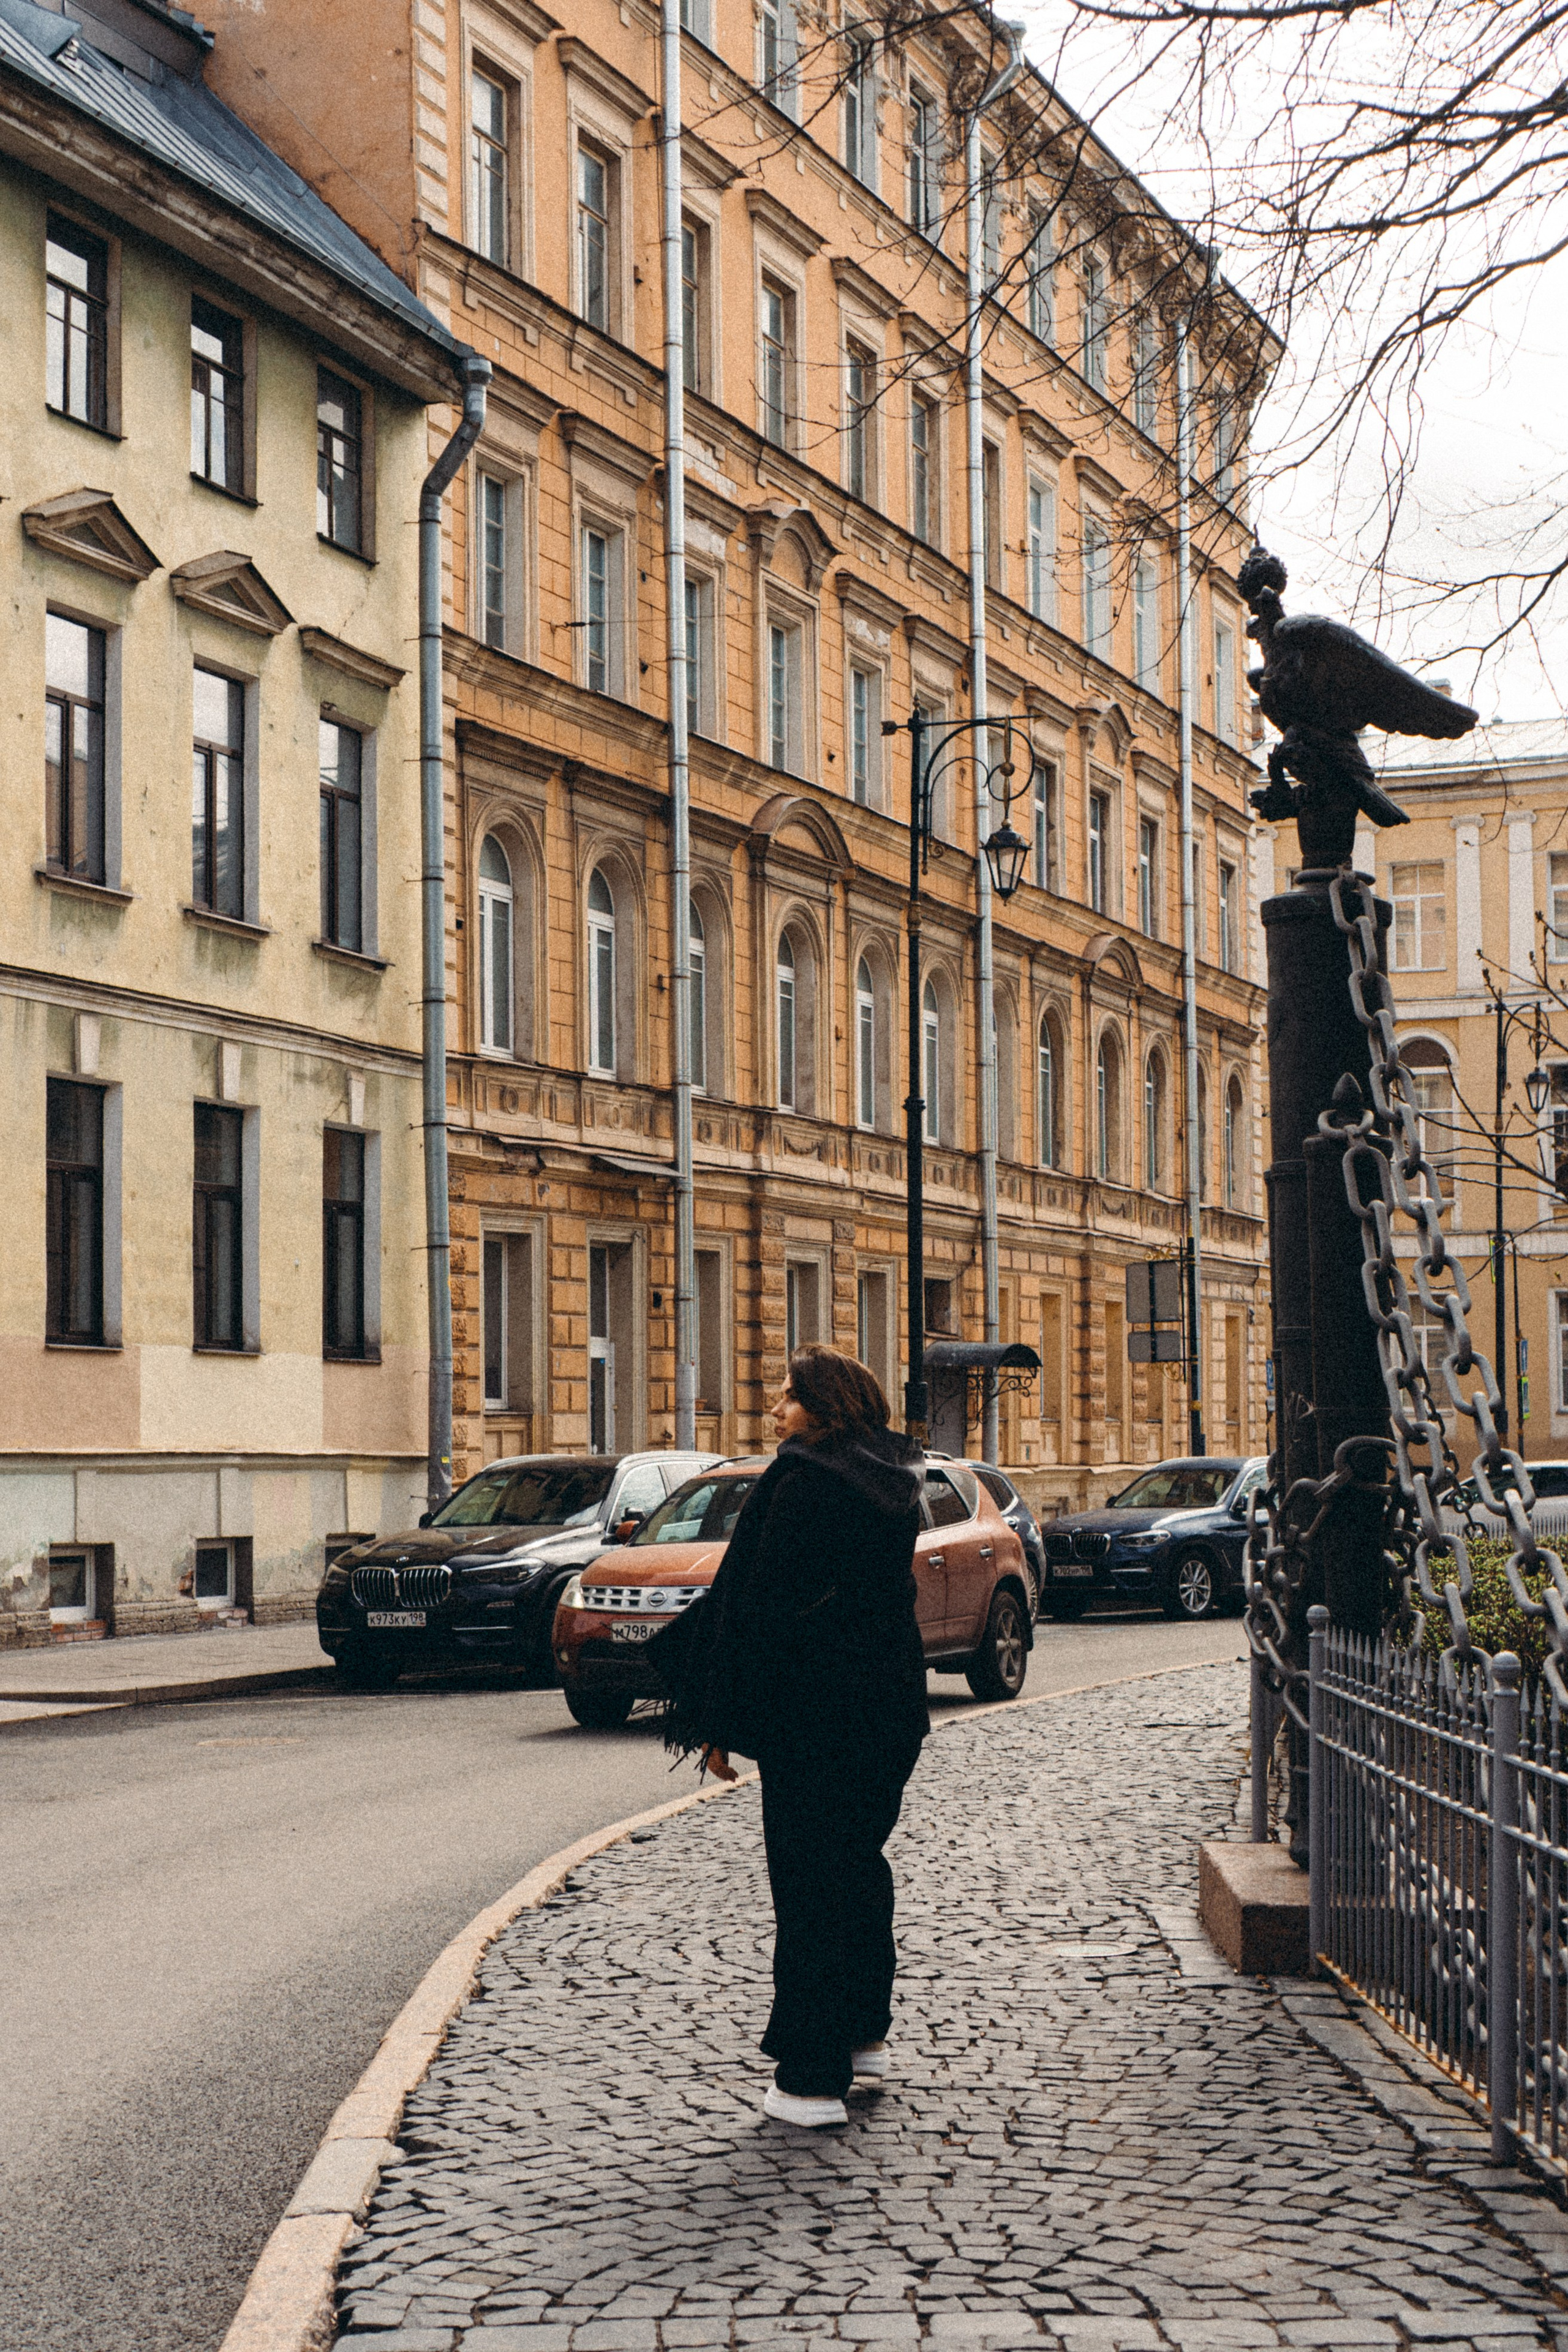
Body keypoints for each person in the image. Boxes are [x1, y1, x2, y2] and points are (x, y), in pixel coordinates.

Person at [647, 1344, 929, 2129]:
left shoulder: (803, 1480)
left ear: (824, 1404)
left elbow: (756, 1609)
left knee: (808, 1887)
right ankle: (863, 2037)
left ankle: (810, 2078)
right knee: (858, 1870)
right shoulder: (897, 1478)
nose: (776, 1412)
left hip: (815, 1716)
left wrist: (715, 1717)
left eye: (787, 1397)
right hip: (889, 1710)